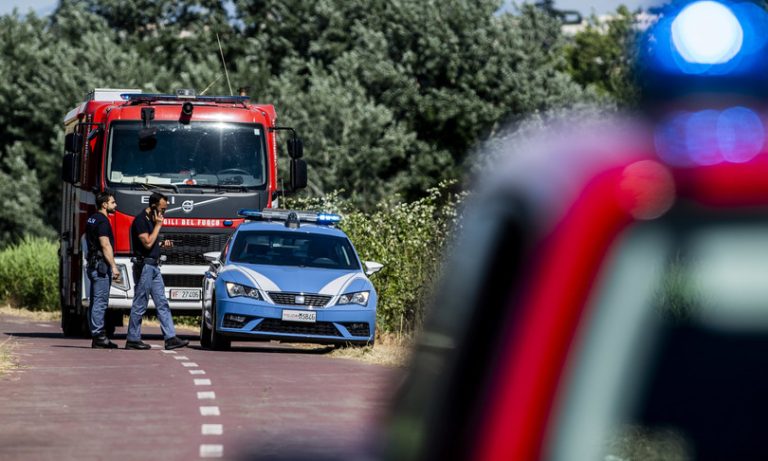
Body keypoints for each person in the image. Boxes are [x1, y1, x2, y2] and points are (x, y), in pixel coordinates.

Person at [125, 191, 189, 350]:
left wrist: (161, 244)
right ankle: (132, 338)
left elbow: (152, 243)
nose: (164, 212)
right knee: (140, 303)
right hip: (145, 267)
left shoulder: (152, 220)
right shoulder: (140, 221)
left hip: (154, 266)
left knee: (162, 303)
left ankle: (170, 337)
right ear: (153, 206)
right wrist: (159, 226)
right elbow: (146, 243)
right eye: (162, 209)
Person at [85, 190, 120, 349]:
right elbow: (105, 245)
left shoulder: (91, 219)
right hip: (100, 267)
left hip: (92, 265)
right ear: (104, 204)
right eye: (113, 202)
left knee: (94, 302)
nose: (115, 205)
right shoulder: (103, 222)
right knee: (100, 302)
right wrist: (113, 266)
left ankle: (96, 334)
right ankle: (99, 336)